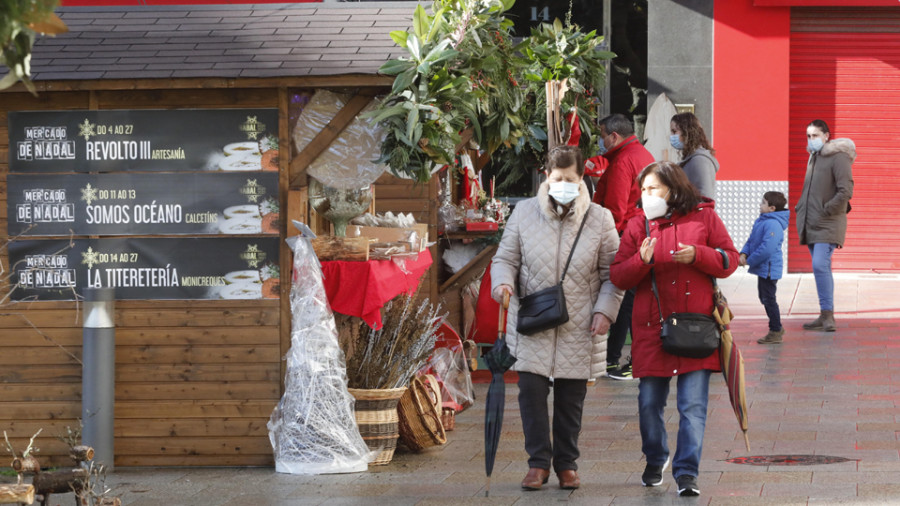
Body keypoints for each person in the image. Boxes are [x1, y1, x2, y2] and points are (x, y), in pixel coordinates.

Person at [491, 145, 623, 491]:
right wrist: (503, 282)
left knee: (570, 398)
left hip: (579, 320)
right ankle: (537, 464)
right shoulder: (523, 213)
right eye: (557, 178)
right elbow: (505, 258)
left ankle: (566, 464)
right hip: (532, 318)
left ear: (581, 179)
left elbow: (613, 274)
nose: (562, 184)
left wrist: (604, 311)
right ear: (546, 176)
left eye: (570, 178)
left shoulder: (600, 218)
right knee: (530, 393)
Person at [610, 161, 738, 497]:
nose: (647, 196)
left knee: (692, 407)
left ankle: (687, 472)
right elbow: (619, 275)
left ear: (674, 188)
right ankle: (656, 457)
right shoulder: (639, 224)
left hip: (697, 327)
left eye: (653, 188)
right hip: (653, 328)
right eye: (644, 190)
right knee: (649, 403)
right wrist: (642, 260)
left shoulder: (704, 217)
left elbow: (730, 259)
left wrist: (699, 254)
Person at [585, 113, 654, 381]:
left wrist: (598, 241)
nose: (600, 142)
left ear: (614, 136)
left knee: (624, 298)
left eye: (602, 136)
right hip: (639, 233)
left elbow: (612, 211)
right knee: (632, 299)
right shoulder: (641, 154)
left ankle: (622, 360)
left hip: (625, 236)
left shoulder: (623, 161)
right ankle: (621, 359)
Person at [795, 119, 854, 332]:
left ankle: (828, 316)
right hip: (811, 221)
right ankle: (824, 314)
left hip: (828, 221)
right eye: (808, 136)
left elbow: (845, 191)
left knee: (820, 264)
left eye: (815, 135)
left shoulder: (838, 157)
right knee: (822, 267)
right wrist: (800, 207)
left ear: (827, 136)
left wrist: (827, 209)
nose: (811, 140)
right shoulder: (814, 157)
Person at [740, 191, 790, 344]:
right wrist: (744, 253)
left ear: (772, 208)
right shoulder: (761, 221)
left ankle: (776, 330)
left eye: (763, 203)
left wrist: (750, 261)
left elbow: (767, 249)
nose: (760, 205)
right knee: (765, 297)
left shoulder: (773, 224)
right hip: (763, 269)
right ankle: (776, 328)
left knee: (769, 299)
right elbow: (751, 240)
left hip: (769, 269)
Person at [670, 112, 719, 199]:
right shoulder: (692, 159)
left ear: (687, 132)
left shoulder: (699, 161)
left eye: (674, 131)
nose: (672, 136)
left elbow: (704, 197)